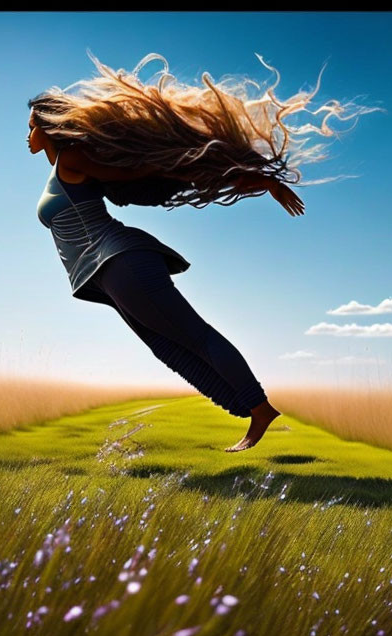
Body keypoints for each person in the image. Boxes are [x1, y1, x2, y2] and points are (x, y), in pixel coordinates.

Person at [27, 52, 356, 452]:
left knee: (194, 336)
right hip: (104, 271)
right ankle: (246, 407)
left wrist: (253, 179)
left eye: (30, 127)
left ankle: (259, 408)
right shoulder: (62, 164)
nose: (27, 135)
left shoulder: (74, 158)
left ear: (46, 125)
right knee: (166, 346)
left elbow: (149, 171)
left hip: (118, 260)